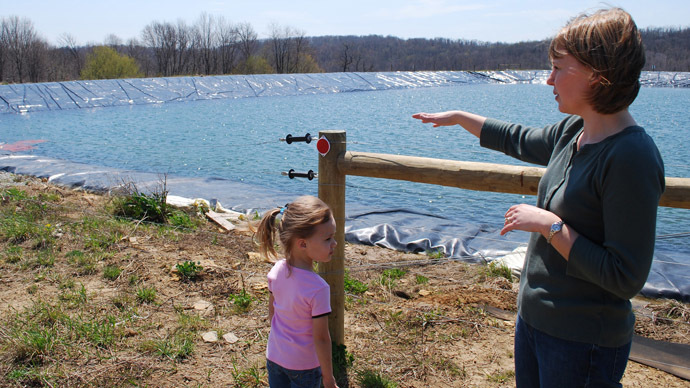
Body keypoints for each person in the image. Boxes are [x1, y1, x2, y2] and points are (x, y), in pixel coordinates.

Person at [413, 7, 665, 388]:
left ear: (599, 73)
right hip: (534, 322)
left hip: (582, 342)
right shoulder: (574, 130)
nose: (549, 79)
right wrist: (460, 117)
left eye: (559, 68)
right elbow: (516, 138)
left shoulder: (631, 157)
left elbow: (625, 276)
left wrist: (550, 225)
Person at [255, 195, 339, 388]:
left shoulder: (276, 271)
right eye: (328, 238)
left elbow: (272, 314)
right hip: (304, 367)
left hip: (275, 357)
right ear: (302, 244)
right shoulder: (318, 289)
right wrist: (328, 379)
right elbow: (321, 338)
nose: (334, 243)